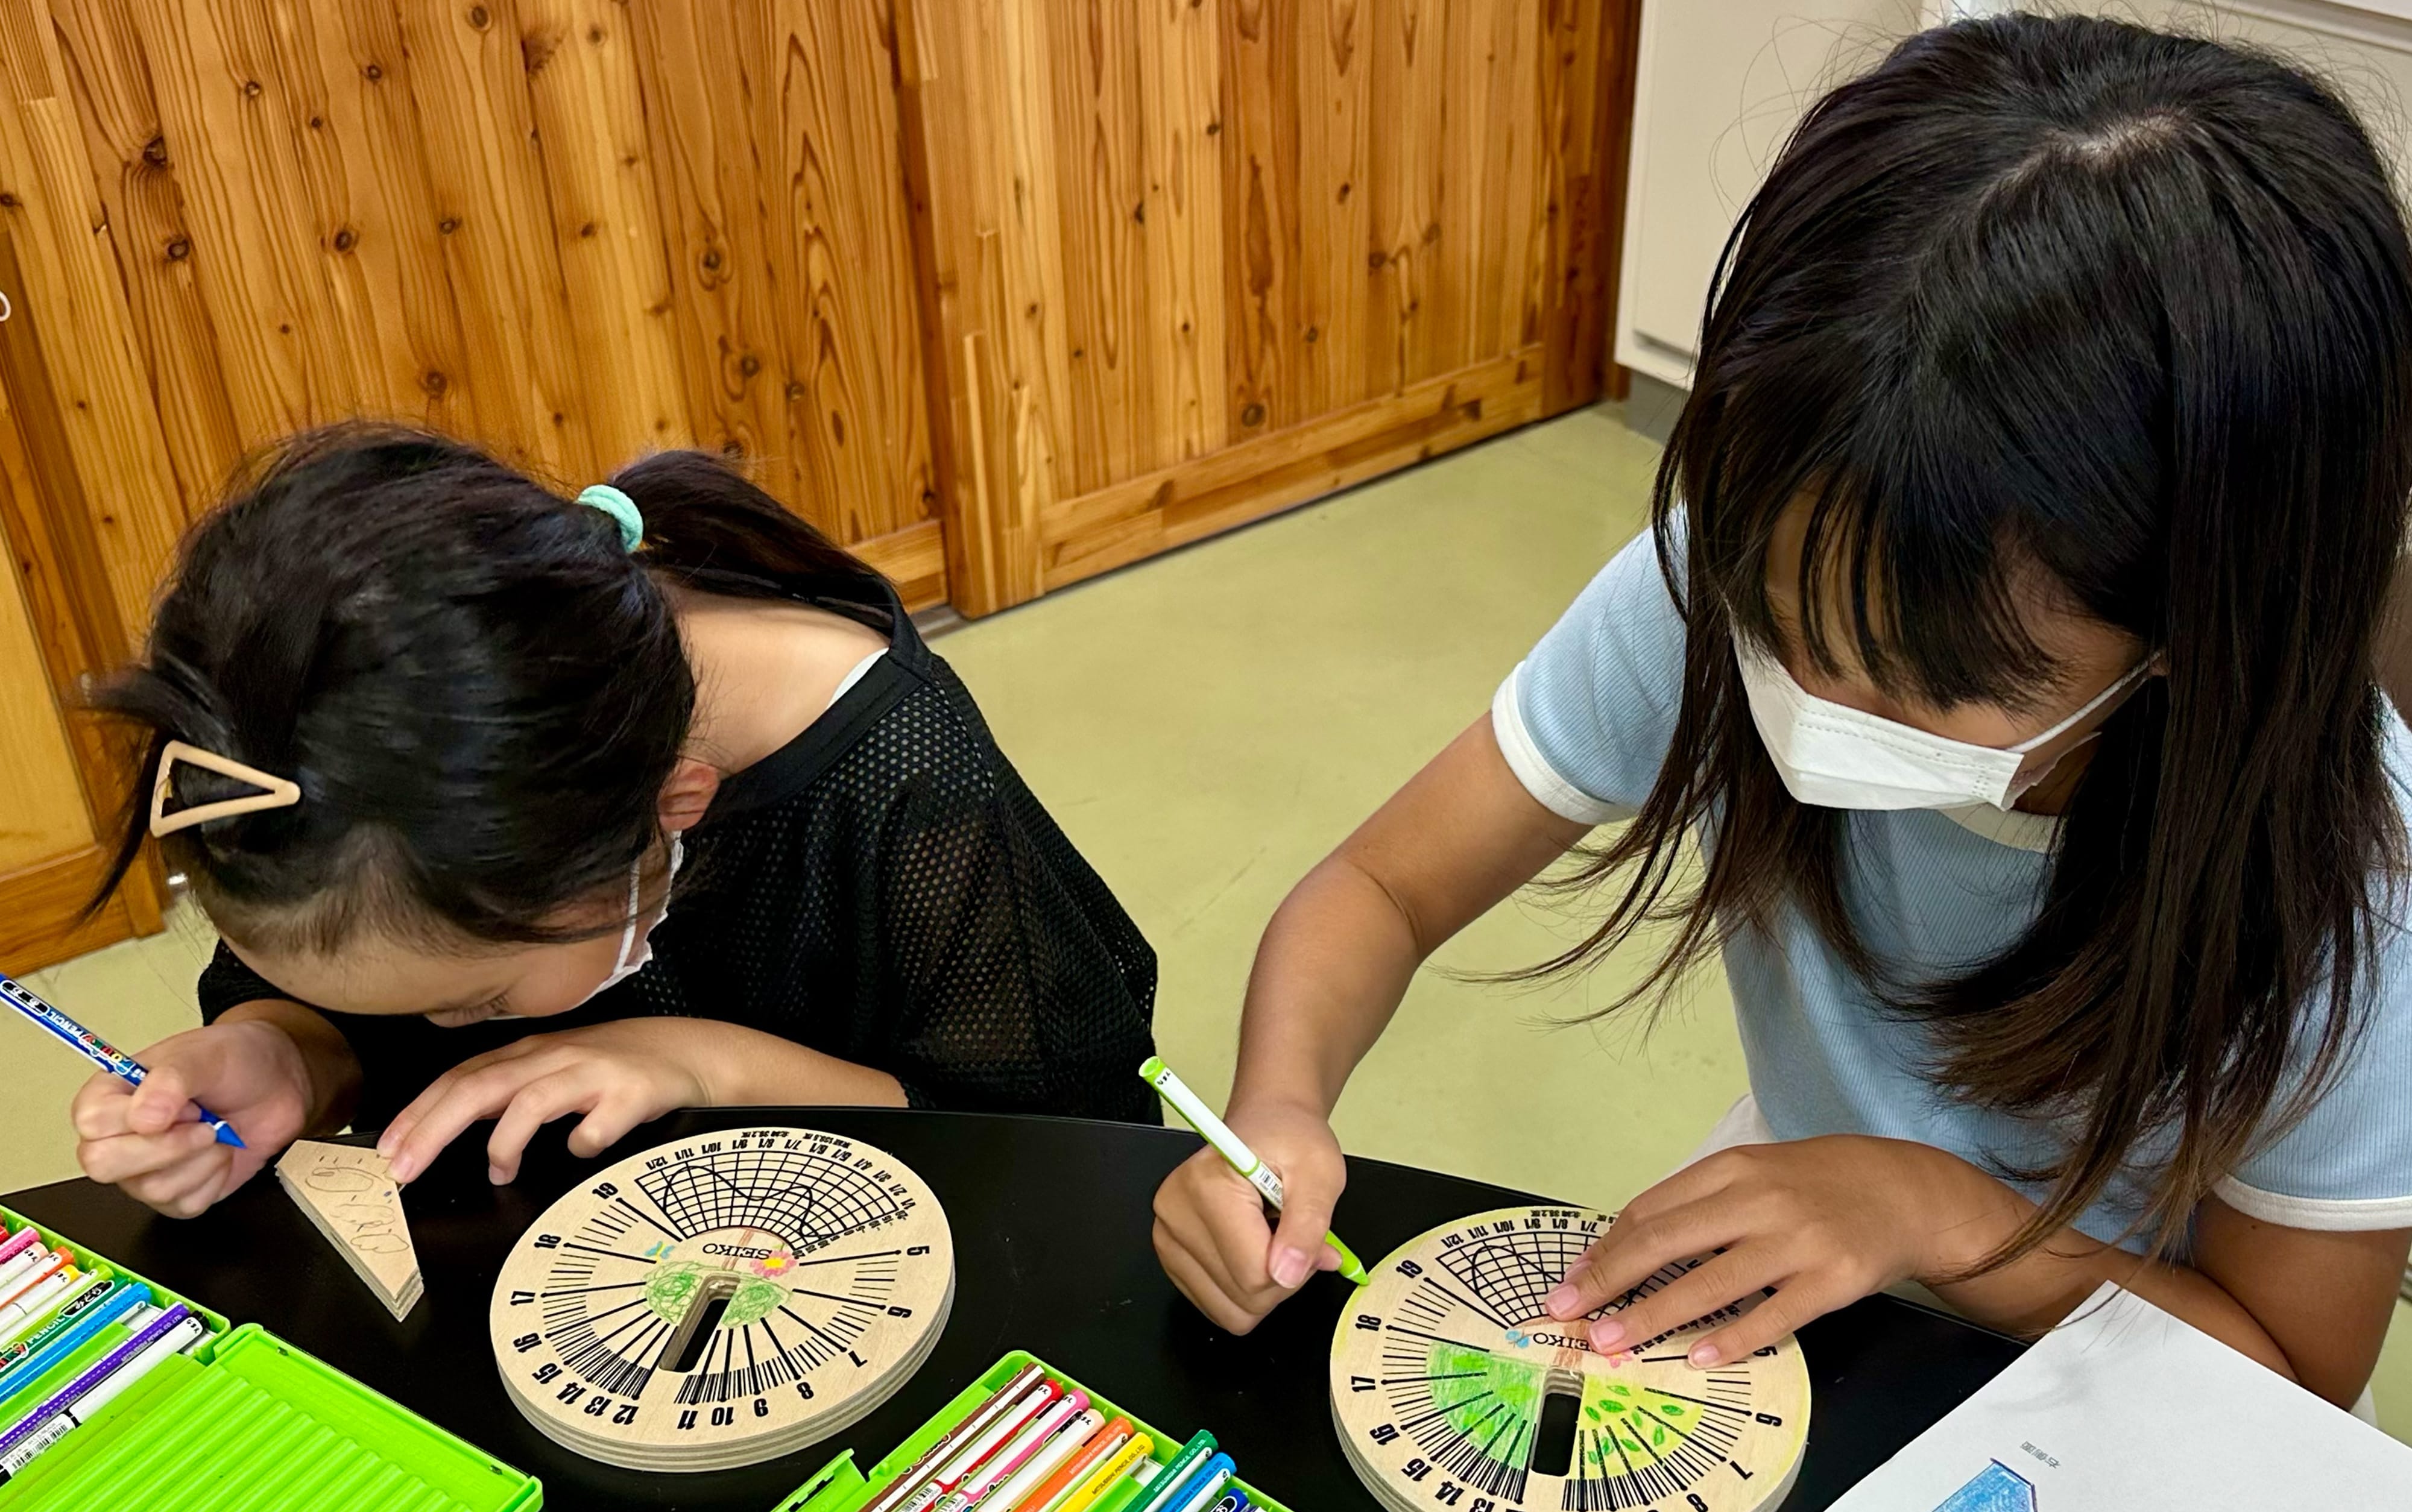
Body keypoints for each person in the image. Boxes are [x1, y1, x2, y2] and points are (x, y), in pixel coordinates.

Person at [1152, 14, 2412, 1410]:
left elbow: (2287, 1377)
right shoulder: (1726, 576)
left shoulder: (2361, 888)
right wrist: (1274, 1103)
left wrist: (1933, 1209)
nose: (1808, 697)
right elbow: (1380, 886)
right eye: (1776, 622)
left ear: (2204, 623)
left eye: (1926, 677)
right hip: (1807, 1242)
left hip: (2138, 1364)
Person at [72, 427, 1160, 1218]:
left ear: (673, 810)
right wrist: (286, 1054)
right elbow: (365, 1006)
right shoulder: (343, 786)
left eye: (476, 1004)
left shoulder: (899, 777)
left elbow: (1062, 1142)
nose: (451, 1032)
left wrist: (701, 1064)